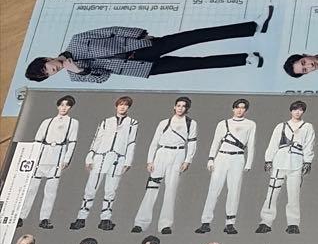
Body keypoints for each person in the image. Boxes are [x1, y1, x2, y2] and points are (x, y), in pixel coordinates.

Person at [24, 7, 273, 84]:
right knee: (196, 64)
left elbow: (111, 30)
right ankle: (245, 59)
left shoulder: (76, 40)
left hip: (142, 47)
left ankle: (252, 27)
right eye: (48, 74)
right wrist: (80, 70)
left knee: (195, 36)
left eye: (47, 67)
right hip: (140, 68)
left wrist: (141, 34)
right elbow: (103, 78)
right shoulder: (75, 76)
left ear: (46, 59)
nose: (52, 70)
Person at [71, 96, 138, 231]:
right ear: (116, 106)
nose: (122, 107)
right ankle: (81, 218)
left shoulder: (132, 123)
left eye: (125, 105)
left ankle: (105, 219)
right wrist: (90, 156)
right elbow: (97, 139)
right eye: (120, 104)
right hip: (101, 157)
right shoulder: (106, 122)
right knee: (91, 188)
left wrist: (128, 161)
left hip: (117, 158)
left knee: (110, 190)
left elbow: (131, 142)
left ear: (128, 107)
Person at [132, 97, 197, 235]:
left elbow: (192, 143)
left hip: (178, 154)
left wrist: (187, 160)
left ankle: (165, 225)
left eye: (183, 106)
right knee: (152, 188)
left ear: (187, 108)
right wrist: (150, 160)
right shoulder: (164, 123)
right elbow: (154, 141)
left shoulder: (191, 123)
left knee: (171, 189)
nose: (180, 108)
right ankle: (140, 223)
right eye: (178, 105)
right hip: (161, 154)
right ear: (174, 107)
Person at [198, 98, 257, 234]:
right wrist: (211, 159)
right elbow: (215, 142)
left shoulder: (250, 124)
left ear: (246, 110)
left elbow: (251, 144)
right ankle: (206, 222)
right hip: (222, 157)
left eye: (242, 108)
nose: (239, 110)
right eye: (237, 107)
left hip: (238, 157)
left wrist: (249, 162)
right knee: (214, 189)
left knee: (234, 190)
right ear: (233, 108)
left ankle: (230, 223)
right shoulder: (223, 123)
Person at [256, 101, 315, 235]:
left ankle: (293, 224)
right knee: (272, 193)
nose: (297, 112)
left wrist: (308, 161)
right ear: (291, 111)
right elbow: (273, 144)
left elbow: (309, 145)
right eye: (295, 109)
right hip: (280, 161)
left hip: (296, 162)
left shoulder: (307, 127)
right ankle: (265, 222)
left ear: (303, 111)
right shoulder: (281, 126)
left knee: (294, 194)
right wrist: (268, 159)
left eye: (300, 110)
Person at [21, 95, 79, 228]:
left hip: (57, 157)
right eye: (62, 104)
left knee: (51, 191)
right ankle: (21, 216)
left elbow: (72, 142)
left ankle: (44, 218)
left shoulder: (73, 122)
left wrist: (66, 159)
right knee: (31, 188)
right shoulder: (47, 122)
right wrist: (33, 157)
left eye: (67, 105)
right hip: (42, 156)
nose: (64, 107)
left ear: (70, 107)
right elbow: (38, 140)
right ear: (58, 106)